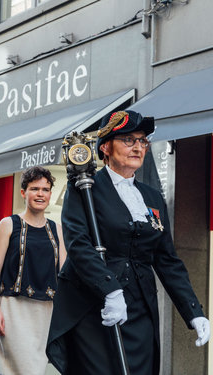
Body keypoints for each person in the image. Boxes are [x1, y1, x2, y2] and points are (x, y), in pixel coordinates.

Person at [46, 110, 210, 374]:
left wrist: (194, 311)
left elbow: (166, 259)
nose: (137, 147)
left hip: (139, 307)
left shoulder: (152, 197)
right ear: (105, 147)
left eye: (142, 141)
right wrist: (110, 290)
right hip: (95, 304)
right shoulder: (84, 188)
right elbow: (78, 244)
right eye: (128, 140)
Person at [0, 166, 67, 375]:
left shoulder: (57, 229)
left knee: (37, 368)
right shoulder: (8, 224)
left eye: (45, 189)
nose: (40, 194)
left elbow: (64, 274)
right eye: (34, 189)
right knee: (23, 370)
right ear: (23, 193)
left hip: (47, 311)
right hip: (14, 309)